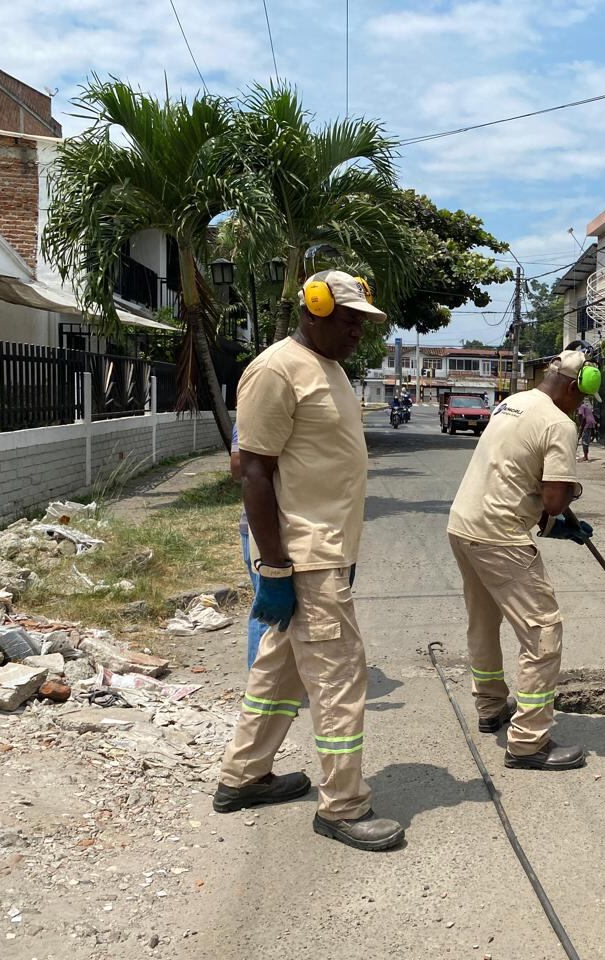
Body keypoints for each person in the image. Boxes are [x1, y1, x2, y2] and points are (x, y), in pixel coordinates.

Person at [213, 270, 404, 853]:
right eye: (348, 319)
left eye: (363, 323)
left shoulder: (331, 368)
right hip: (303, 554)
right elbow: (253, 472)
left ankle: (242, 776)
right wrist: (274, 569)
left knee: (281, 671)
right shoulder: (276, 369)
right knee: (341, 677)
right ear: (314, 308)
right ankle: (343, 805)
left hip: (327, 551)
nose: (357, 332)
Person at [447, 346, 600, 771]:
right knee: (542, 632)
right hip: (498, 536)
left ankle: (491, 706)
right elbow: (553, 498)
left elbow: (511, 478)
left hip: (463, 525)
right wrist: (568, 496)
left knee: (483, 620)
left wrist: (553, 525)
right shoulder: (558, 422)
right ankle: (529, 741)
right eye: (583, 398)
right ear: (573, 387)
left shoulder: (512, 403)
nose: (581, 405)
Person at [230, 426, 265, 669]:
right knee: (267, 607)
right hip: (261, 528)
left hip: (286, 527)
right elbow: (237, 468)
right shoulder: (254, 410)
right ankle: (262, 686)